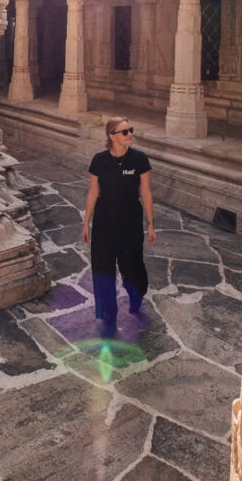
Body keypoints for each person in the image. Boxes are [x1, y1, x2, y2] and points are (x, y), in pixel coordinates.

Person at [81, 116, 156, 338]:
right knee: (103, 266)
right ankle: (108, 312)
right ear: (111, 136)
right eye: (124, 132)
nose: (129, 135)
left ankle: (136, 294)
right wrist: (86, 222)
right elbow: (93, 192)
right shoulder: (99, 161)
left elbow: (146, 193)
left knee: (132, 264)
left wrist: (151, 223)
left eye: (130, 130)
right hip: (104, 220)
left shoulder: (140, 160)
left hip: (130, 220)